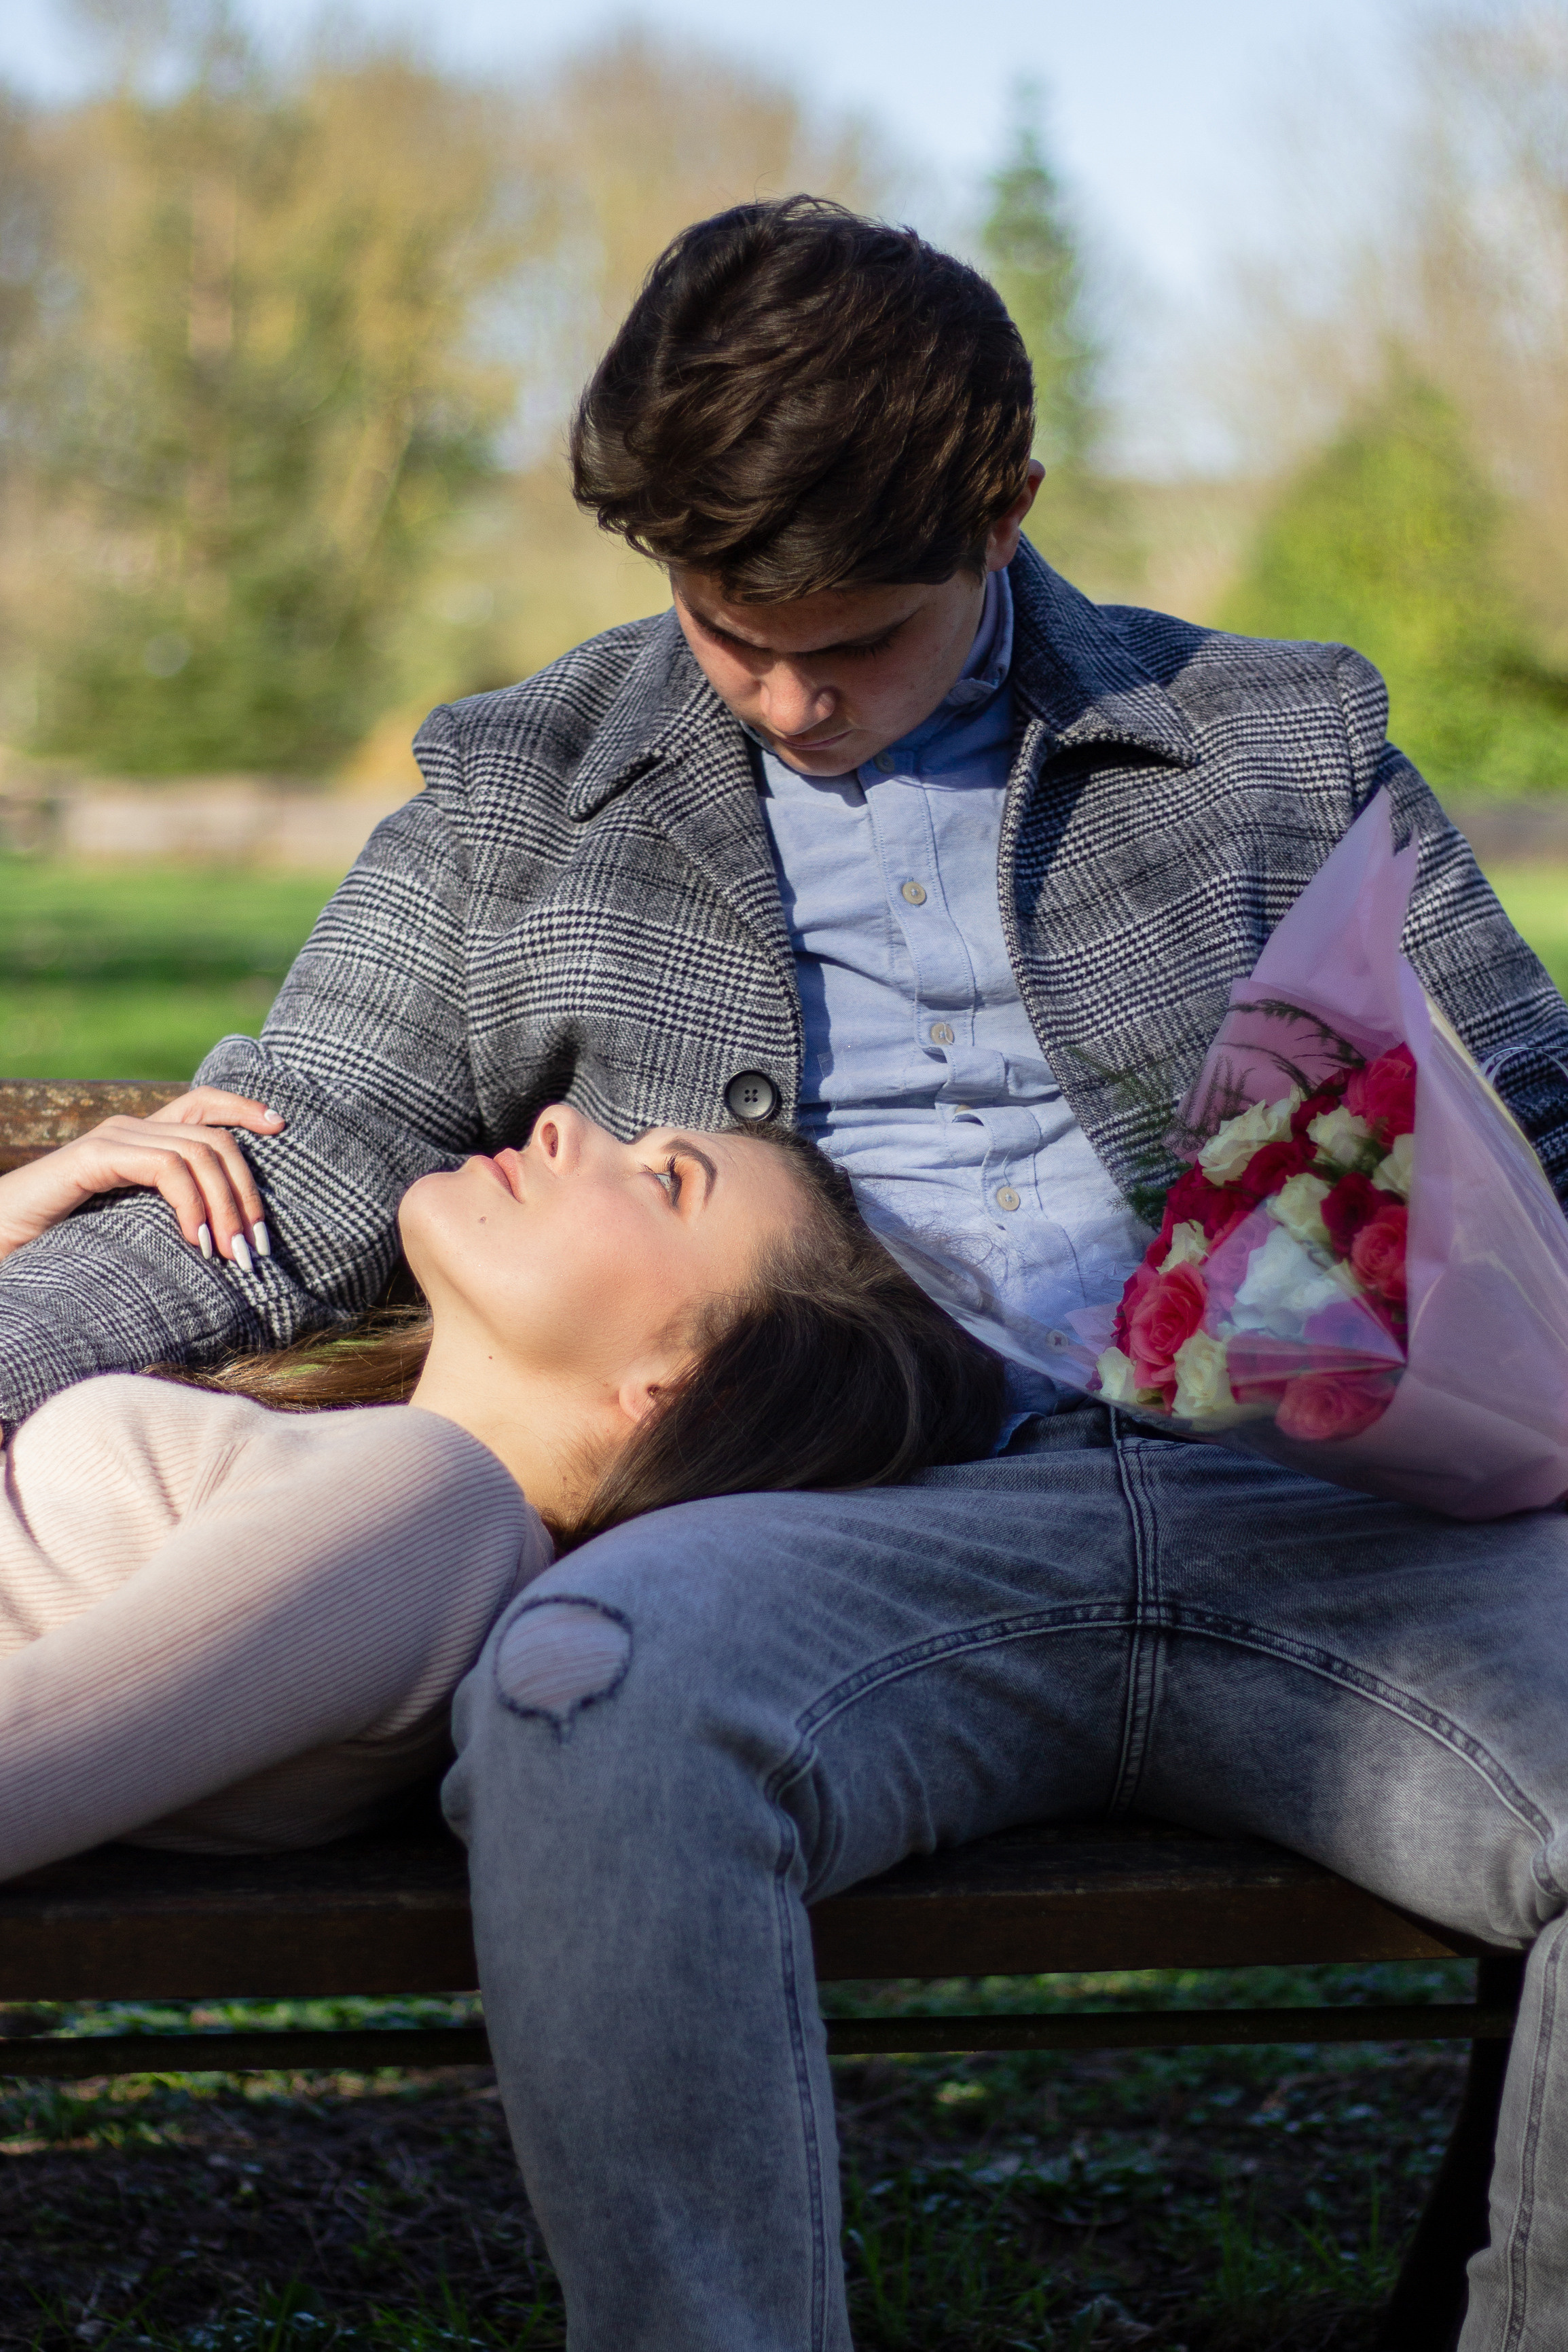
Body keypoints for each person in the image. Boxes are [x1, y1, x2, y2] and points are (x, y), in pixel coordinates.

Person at [0, 193, 1565, 2348]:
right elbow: (315, 1145)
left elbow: (1525, 1110)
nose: (791, 695)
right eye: (731, 632)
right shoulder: (520, 788)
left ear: (1000, 513)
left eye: (863, 637)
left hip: (1332, 1512)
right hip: (815, 1534)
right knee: (588, 1709)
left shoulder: (1272, 744)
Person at [0, 1085, 1002, 1883]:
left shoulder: (426, 1512)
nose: (561, 1123)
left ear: (696, 1388)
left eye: (665, 1184)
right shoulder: (405, 1492)